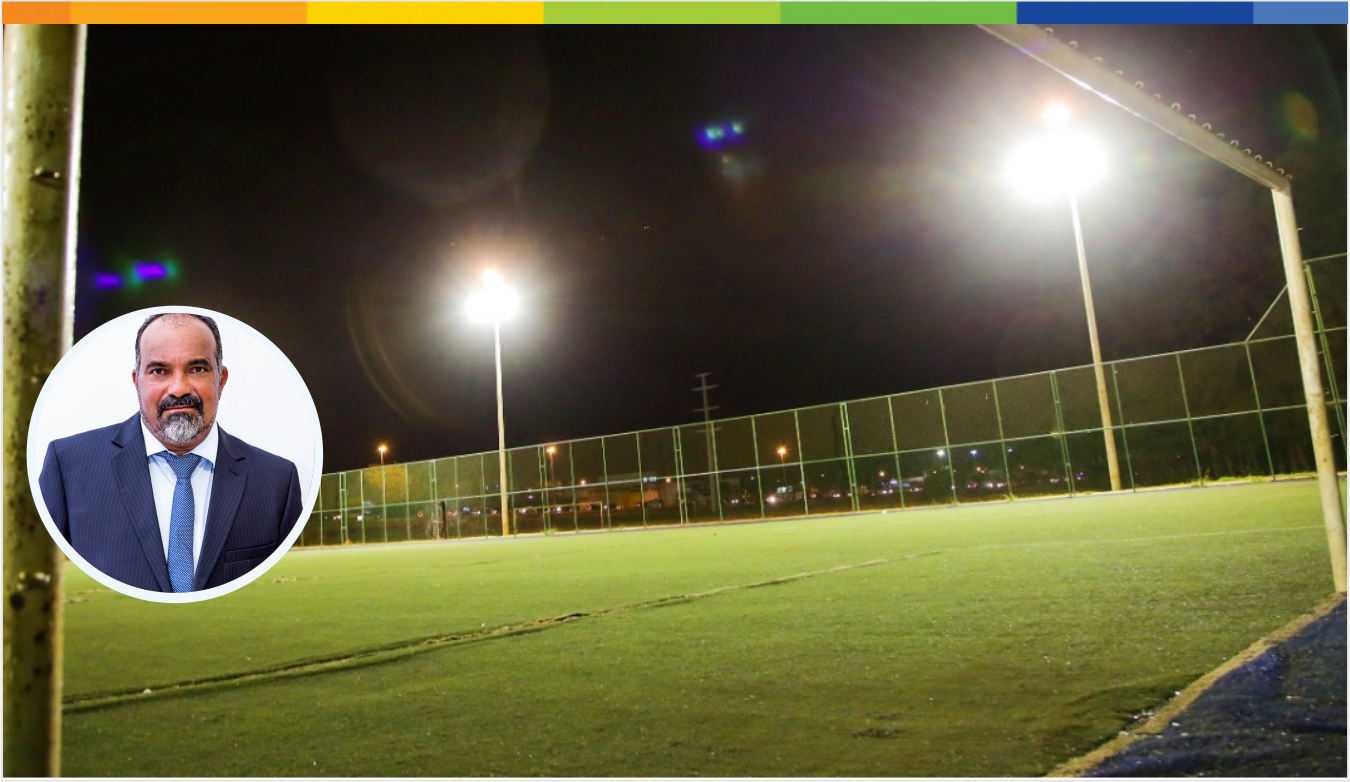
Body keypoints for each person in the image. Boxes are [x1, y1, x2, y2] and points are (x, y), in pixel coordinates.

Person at [38, 313, 303, 593]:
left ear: (221, 380)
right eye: (159, 371)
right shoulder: (67, 465)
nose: (178, 389)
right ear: (137, 381)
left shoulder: (277, 480)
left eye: (197, 369)